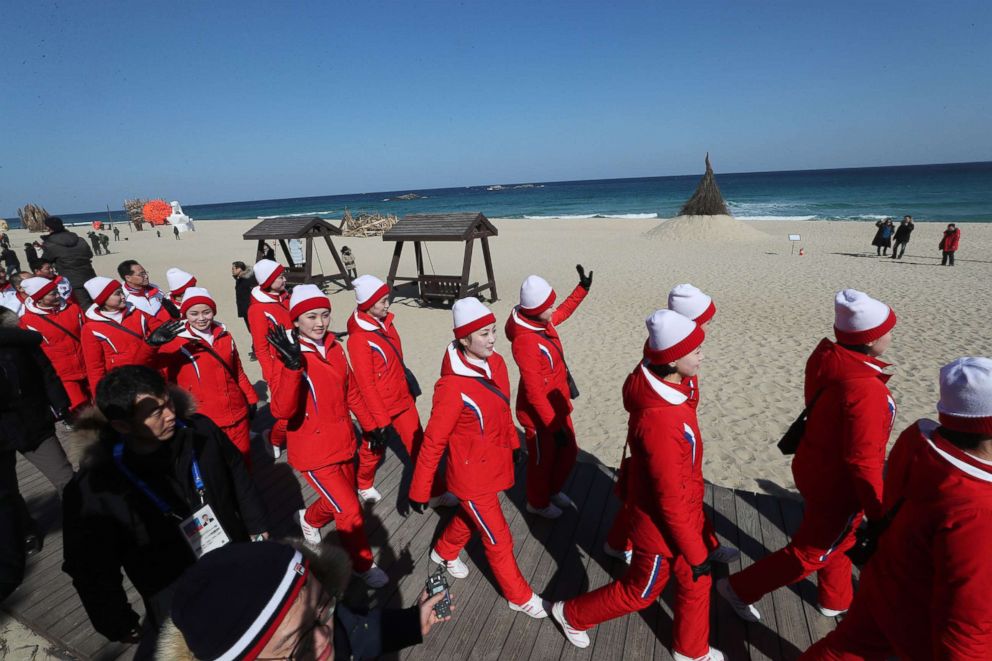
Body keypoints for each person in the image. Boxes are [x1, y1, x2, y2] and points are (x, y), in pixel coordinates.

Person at [550, 311, 723, 661]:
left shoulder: (663, 384)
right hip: (658, 526)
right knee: (641, 590)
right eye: (695, 351)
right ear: (672, 359)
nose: (702, 355)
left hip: (678, 511)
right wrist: (696, 550)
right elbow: (669, 498)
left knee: (695, 579)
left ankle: (691, 650)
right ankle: (570, 614)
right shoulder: (662, 420)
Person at [718, 289, 897, 622]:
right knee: (810, 553)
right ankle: (739, 588)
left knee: (841, 536)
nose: (891, 335)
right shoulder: (866, 389)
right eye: (887, 330)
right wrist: (879, 512)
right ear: (871, 340)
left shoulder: (828, 356)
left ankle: (835, 598)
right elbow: (865, 460)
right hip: (839, 485)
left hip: (814, 464)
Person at [61, 365, 269, 645]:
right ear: (122, 425)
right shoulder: (95, 487)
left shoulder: (200, 430)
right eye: (155, 412)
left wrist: (257, 525)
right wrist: (116, 621)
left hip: (235, 561)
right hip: (178, 599)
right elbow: (90, 567)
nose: (170, 414)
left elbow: (236, 472)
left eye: (168, 401)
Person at [802, 356, 992, 660]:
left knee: (844, 649)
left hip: (887, 575)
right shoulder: (978, 508)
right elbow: (969, 621)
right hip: (921, 614)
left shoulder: (919, 438)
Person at [409, 297, 548, 619]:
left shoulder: (495, 362)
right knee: (499, 537)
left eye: (493, 331)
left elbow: (501, 414)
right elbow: (433, 441)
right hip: (471, 477)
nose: (492, 339)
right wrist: (419, 490)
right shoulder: (451, 386)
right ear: (463, 339)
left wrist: (513, 445)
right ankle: (519, 596)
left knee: (474, 517)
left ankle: (444, 551)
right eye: (483, 334)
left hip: (494, 464)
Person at [605, 284, 738, 567]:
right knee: (652, 493)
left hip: (676, 422)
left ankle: (619, 543)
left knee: (652, 492)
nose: (708, 326)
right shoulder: (671, 358)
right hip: (666, 426)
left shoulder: (678, 352)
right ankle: (620, 544)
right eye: (703, 321)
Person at [266, 285, 389, 588]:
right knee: (349, 509)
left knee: (338, 501)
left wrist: (370, 425)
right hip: (314, 451)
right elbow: (281, 409)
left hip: (344, 442)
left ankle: (309, 519)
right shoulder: (290, 354)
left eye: (325, 314)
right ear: (295, 321)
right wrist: (293, 367)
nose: (320, 322)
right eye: (310, 316)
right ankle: (362, 566)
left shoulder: (335, 347)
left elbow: (351, 393)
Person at [157, 541, 452, 659]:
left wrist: (413, 622)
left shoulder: (322, 628)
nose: (325, 636)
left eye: (324, 607)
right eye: (296, 643)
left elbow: (353, 631)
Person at [348, 274, 450, 505]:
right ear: (367, 304)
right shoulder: (359, 339)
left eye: (387, 299)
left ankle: (435, 491)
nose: (388, 304)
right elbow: (366, 384)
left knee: (419, 445)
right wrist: (381, 420)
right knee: (373, 447)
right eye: (383, 300)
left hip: (402, 397)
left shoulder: (385, 322)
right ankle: (363, 483)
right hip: (380, 406)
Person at [504, 266, 591, 520]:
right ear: (535, 310)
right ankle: (537, 502)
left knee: (569, 453)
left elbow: (562, 311)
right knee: (542, 462)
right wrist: (553, 427)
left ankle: (552, 491)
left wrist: (582, 290)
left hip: (558, 406)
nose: (554, 309)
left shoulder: (540, 321)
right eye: (549, 305)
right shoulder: (526, 341)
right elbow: (533, 392)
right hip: (539, 417)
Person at [157, 287, 258, 467]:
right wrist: (149, 348)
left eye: (207, 312)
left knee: (244, 463)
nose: (201, 318)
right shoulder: (175, 342)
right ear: (185, 314)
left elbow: (237, 370)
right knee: (216, 467)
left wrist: (250, 396)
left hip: (237, 413)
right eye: (194, 313)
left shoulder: (225, 335)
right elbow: (154, 375)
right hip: (204, 419)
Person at [0, 323, 75, 560]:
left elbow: (46, 373)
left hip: (31, 423)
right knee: (6, 491)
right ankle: (25, 530)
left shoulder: (18, 341)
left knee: (66, 478)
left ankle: (85, 521)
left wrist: (60, 404)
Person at [80, 276, 180, 393]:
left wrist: (174, 318)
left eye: (122, 292)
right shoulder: (91, 328)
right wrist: (99, 396)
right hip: (124, 382)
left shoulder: (137, 313)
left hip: (149, 371)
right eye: (117, 294)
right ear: (103, 299)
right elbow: (95, 367)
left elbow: (161, 328)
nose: (123, 296)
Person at [19, 277, 90, 412]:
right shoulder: (28, 321)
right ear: (38, 298)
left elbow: (87, 334)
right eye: (52, 294)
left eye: (57, 291)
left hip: (87, 367)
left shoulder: (73, 309)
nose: (58, 295)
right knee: (81, 411)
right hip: (62, 375)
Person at [247, 259, 292, 457]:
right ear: (268, 281)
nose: (285, 280)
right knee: (286, 412)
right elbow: (261, 347)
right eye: (280, 277)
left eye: (283, 276)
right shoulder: (258, 309)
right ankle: (272, 437)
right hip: (280, 366)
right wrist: (271, 373)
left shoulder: (286, 298)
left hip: (299, 359)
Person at [40, 217, 97, 308]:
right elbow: (89, 254)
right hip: (89, 275)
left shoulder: (50, 244)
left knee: (83, 307)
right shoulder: (80, 240)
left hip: (71, 280)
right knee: (96, 303)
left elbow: (45, 261)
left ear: (49, 228)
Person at [231, 261, 257, 360]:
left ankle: (256, 350)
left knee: (254, 330)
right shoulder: (240, 279)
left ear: (240, 269)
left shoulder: (248, 280)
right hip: (245, 309)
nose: (232, 271)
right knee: (251, 330)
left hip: (250, 309)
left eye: (234, 268)